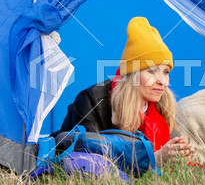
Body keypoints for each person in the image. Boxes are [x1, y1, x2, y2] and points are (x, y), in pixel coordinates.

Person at [58, 17, 194, 163]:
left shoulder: (161, 107)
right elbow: (92, 162)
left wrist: (179, 156)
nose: (163, 81)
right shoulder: (91, 100)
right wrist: (154, 159)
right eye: (152, 71)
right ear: (132, 75)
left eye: (166, 72)